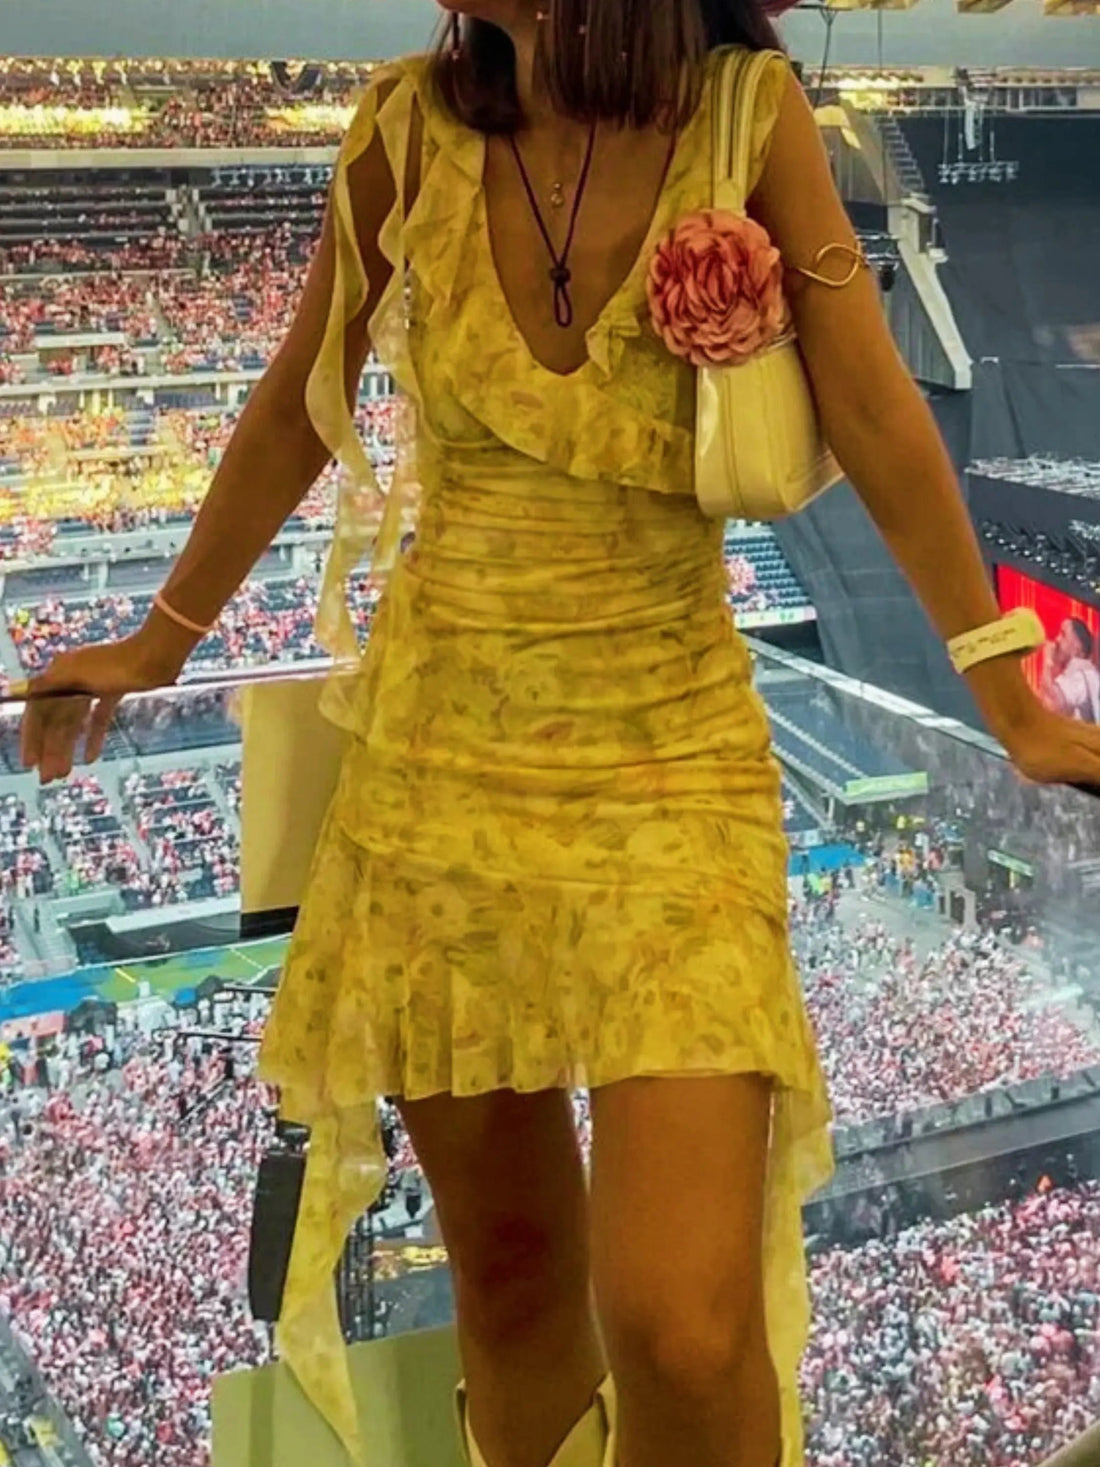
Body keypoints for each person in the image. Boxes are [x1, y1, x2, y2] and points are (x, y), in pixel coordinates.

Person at [17, 4, 1100, 1467]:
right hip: (438, 772)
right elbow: (294, 405)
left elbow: (872, 405)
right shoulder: (404, 128)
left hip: (671, 751)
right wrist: (160, 640)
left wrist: (1004, 688)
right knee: (515, 1279)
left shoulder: (748, 115)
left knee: (681, 1322)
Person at [1039, 616, 1100, 725]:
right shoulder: (1088, 675)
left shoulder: (1082, 676)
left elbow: (1050, 704)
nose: (1057, 640)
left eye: (1063, 635)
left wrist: (1048, 660)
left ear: (1077, 646)